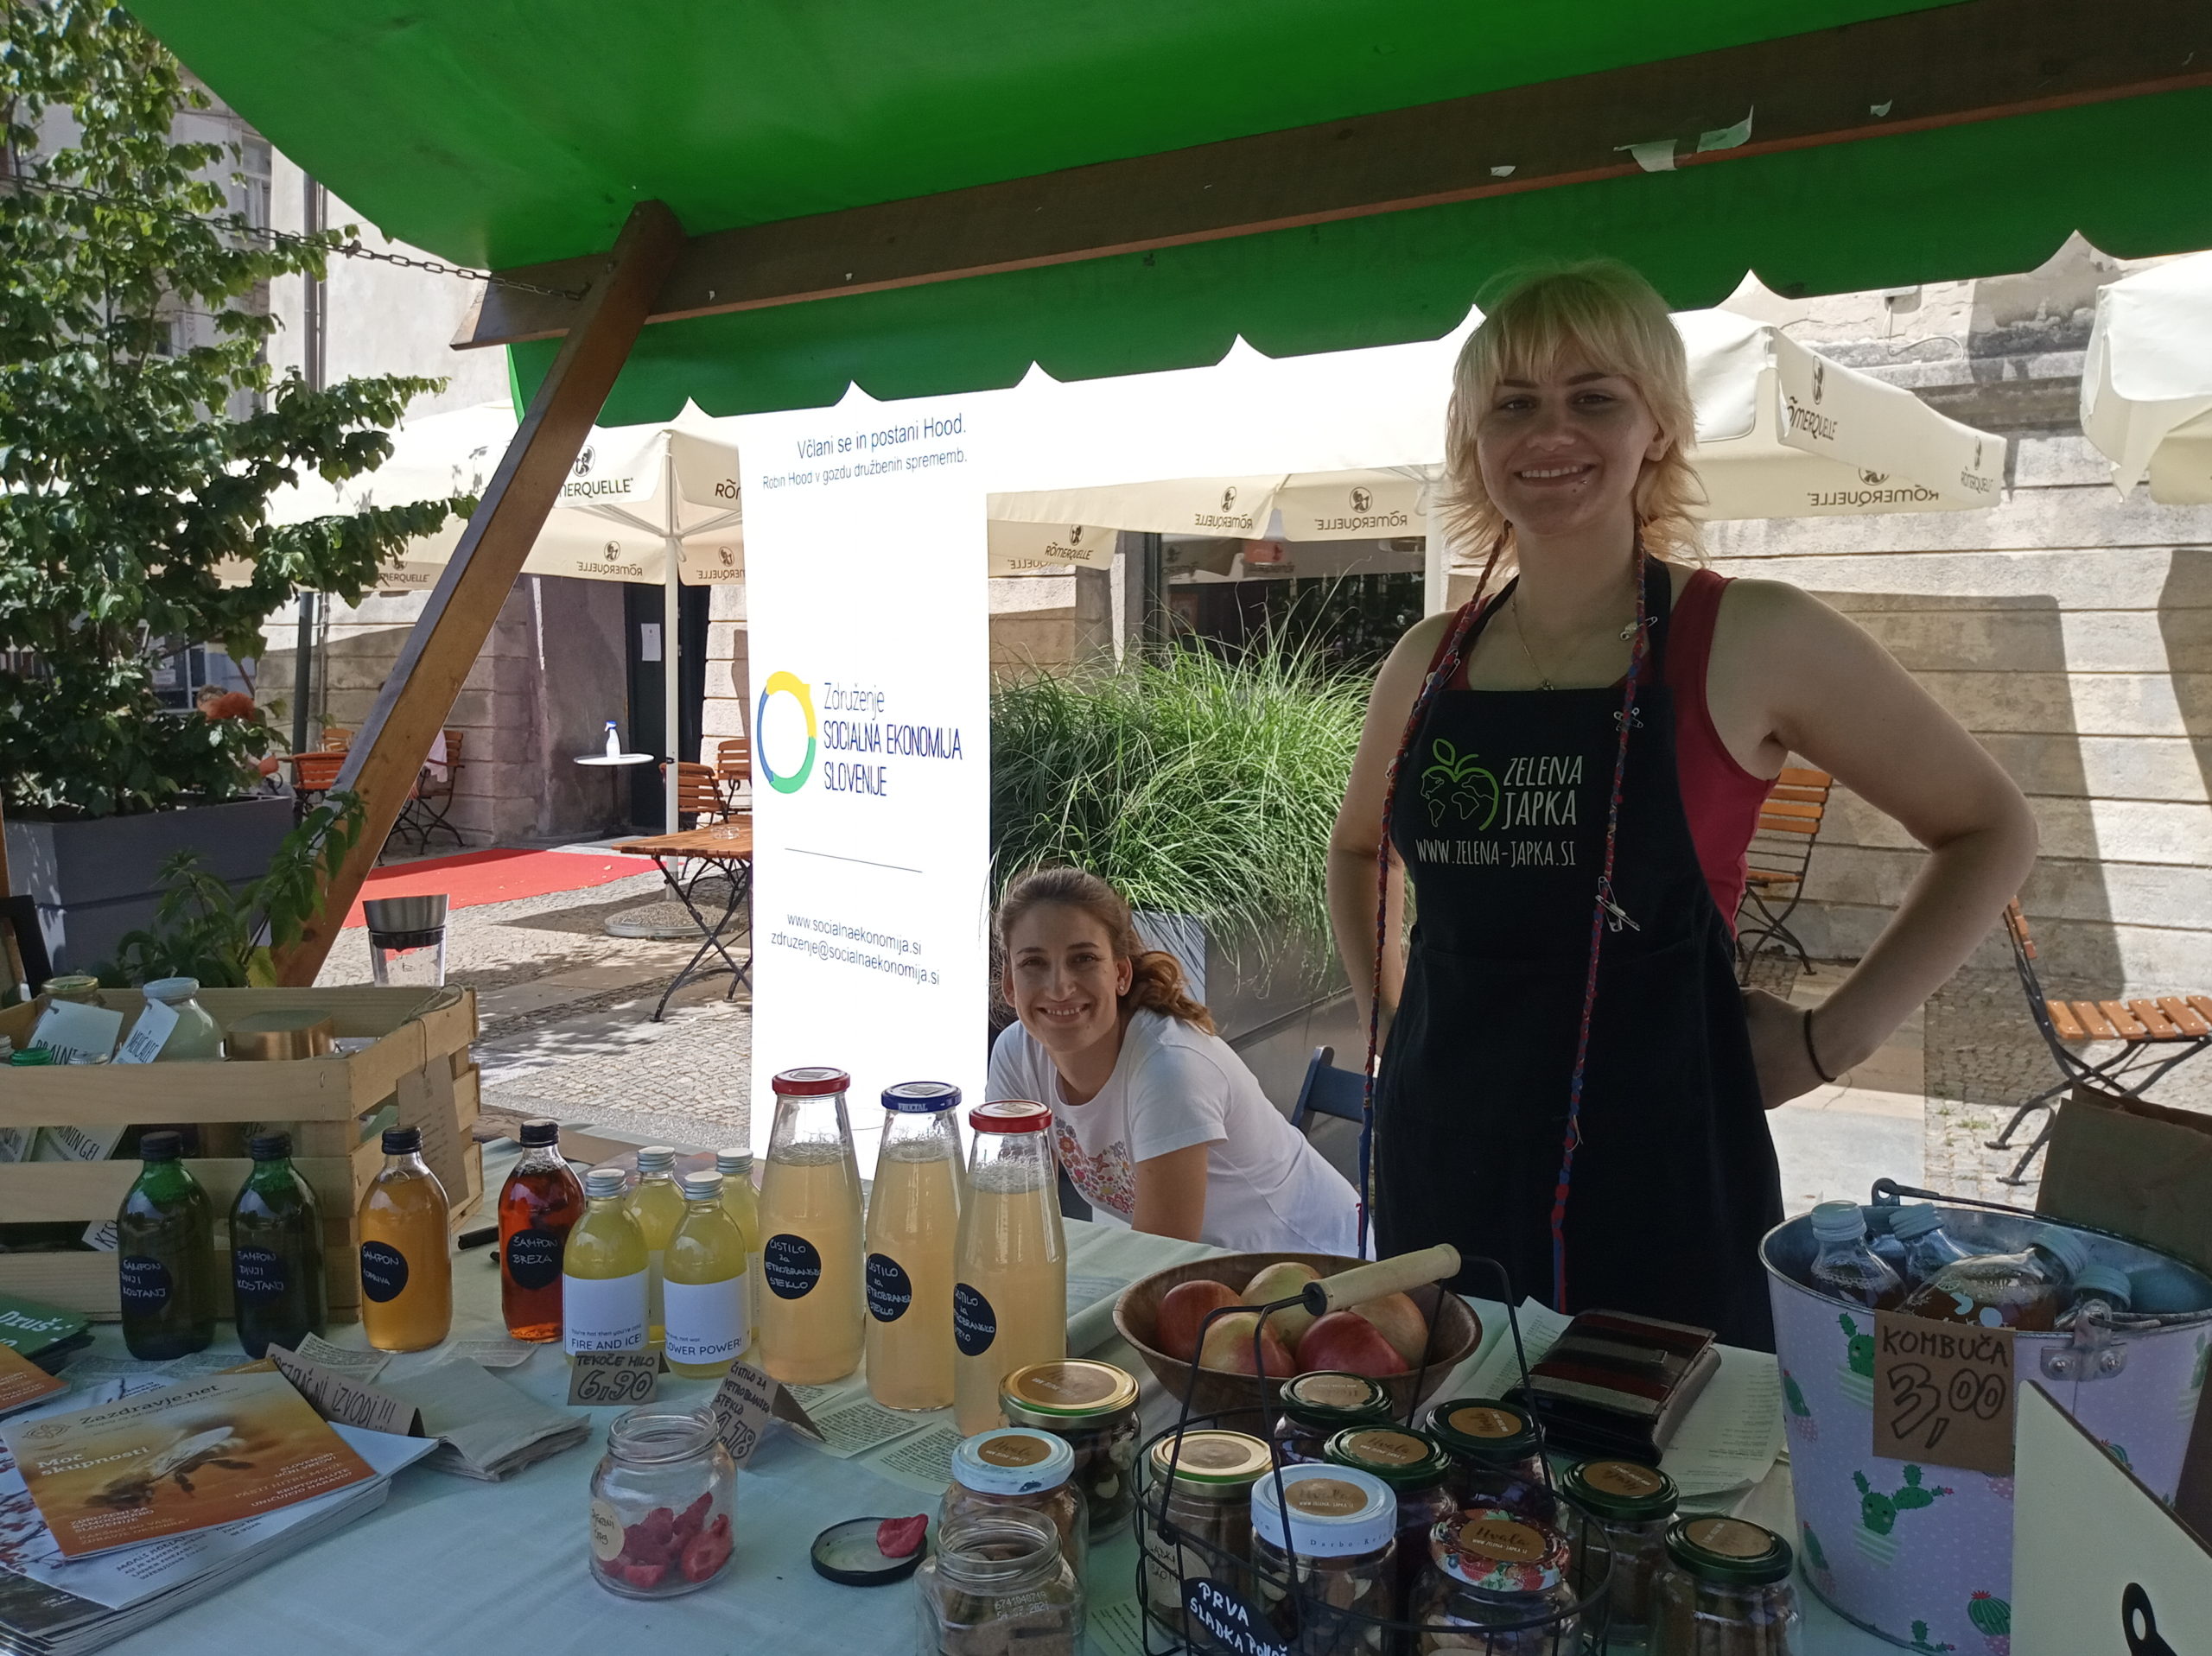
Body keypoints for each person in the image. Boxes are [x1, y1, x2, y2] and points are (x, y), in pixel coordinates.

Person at [1326, 261, 2037, 1348]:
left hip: (1660, 1165)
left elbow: (1989, 827)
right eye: (1512, 404)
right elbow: (1358, 851)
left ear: (1656, 425)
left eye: (1593, 398)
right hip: (1447, 1153)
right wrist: (1389, 1024)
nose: (1549, 432)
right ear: (1472, 437)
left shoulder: (1753, 634)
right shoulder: (1429, 658)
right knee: (1449, 1433)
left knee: (1651, 1445)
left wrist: (1829, 1043)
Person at [989, 867, 1361, 1256]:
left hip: (1321, 1265)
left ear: (1120, 974)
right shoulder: (1018, 1054)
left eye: (1083, 959)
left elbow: (1156, 1260)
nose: (1059, 987)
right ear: (1011, 986)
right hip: (1214, 1271)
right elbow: (1013, 1220)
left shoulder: (1170, 1070)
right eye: (1033, 963)